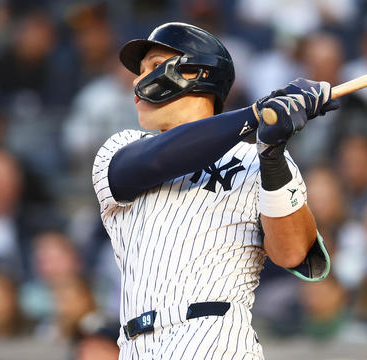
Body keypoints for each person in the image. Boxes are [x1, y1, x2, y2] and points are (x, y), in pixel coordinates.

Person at [92, 22, 338, 359]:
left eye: (153, 66)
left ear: (196, 73)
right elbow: (153, 162)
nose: (137, 79)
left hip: (215, 337)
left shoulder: (255, 158)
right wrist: (255, 115)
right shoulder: (123, 147)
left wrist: (271, 155)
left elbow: (293, 252)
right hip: (135, 345)